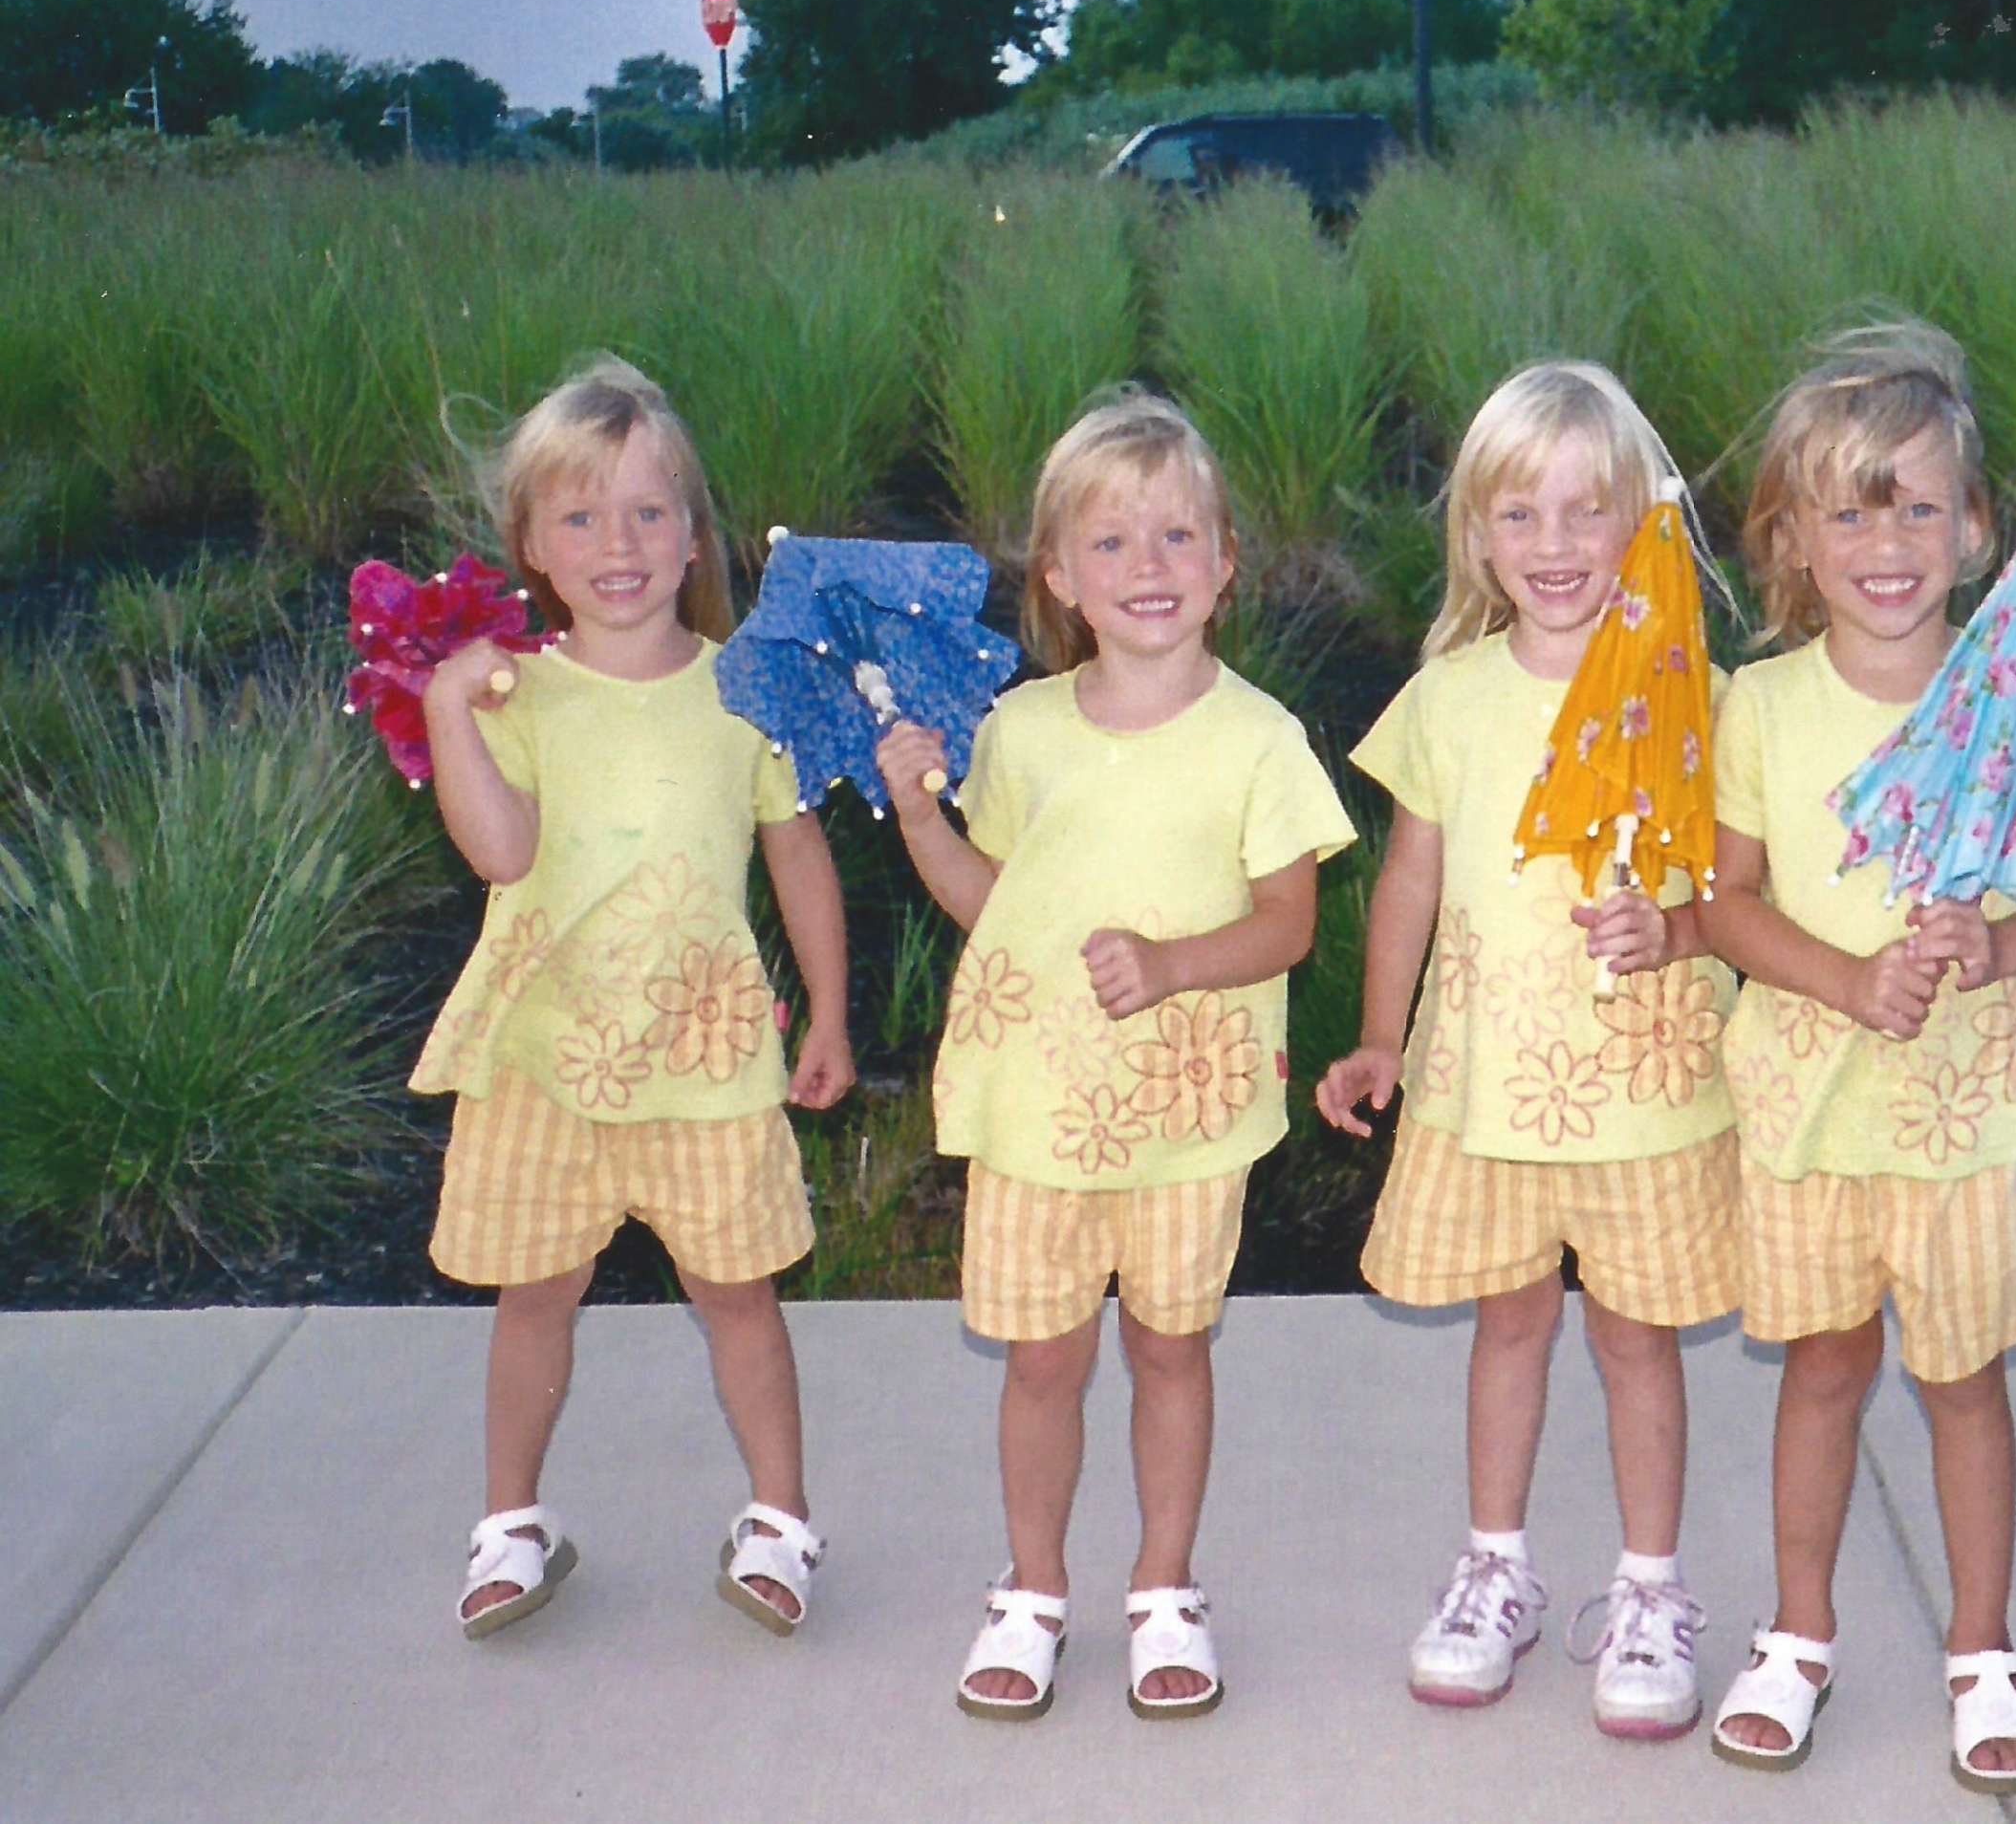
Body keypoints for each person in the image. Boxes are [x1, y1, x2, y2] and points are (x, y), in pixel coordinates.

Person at [876, 389, 1355, 1723]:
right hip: (1041, 1112)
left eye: (1179, 537)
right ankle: (1033, 1589)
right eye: (1112, 544)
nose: (1149, 568)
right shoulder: (1020, 734)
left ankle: (1161, 1585)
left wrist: (1170, 964)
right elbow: (995, 906)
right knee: (1043, 1361)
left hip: (1186, 1121)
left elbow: (1289, 922)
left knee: (1170, 1350)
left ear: (1226, 564)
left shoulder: (1258, 738)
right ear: (1059, 580)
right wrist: (921, 818)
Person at [1699, 319, 2016, 1795]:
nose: (1890, 541)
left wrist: (2004, 946)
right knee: (1821, 1370)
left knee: (1961, 1384)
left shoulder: (2015, 695)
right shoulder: (1757, 706)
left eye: (1922, 506)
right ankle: (1798, 1633)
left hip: (1963, 1111)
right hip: (1812, 1108)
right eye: (1852, 509)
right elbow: (1724, 903)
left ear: (1978, 528)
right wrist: (1850, 977)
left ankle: (1983, 1649)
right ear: (1795, 539)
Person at [1315, 361, 1742, 1741]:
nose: (1554, 546)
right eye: (1521, 514)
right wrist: (1381, 1036)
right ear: (1478, 534)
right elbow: (1408, 886)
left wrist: (1672, 921)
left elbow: (1743, 885)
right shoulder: (1449, 694)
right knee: (1508, 1322)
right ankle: (1495, 1566)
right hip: (1486, 1077)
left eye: (1588, 511)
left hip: (1641, 1082)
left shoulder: (1694, 690)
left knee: (1635, 1335)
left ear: (1646, 521)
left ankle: (1650, 1587)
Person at [413, 357, 856, 1642]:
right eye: (583, 517)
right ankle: (512, 1521)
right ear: (534, 547)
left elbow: (796, 853)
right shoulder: (518, 696)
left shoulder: (744, 690)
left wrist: (827, 1011)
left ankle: (779, 1517)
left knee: (739, 1294)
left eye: (652, 512)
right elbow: (500, 852)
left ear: (697, 535)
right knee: (534, 1293)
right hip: (549, 1055)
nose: (621, 544)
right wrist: (449, 713)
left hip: (707, 1057)